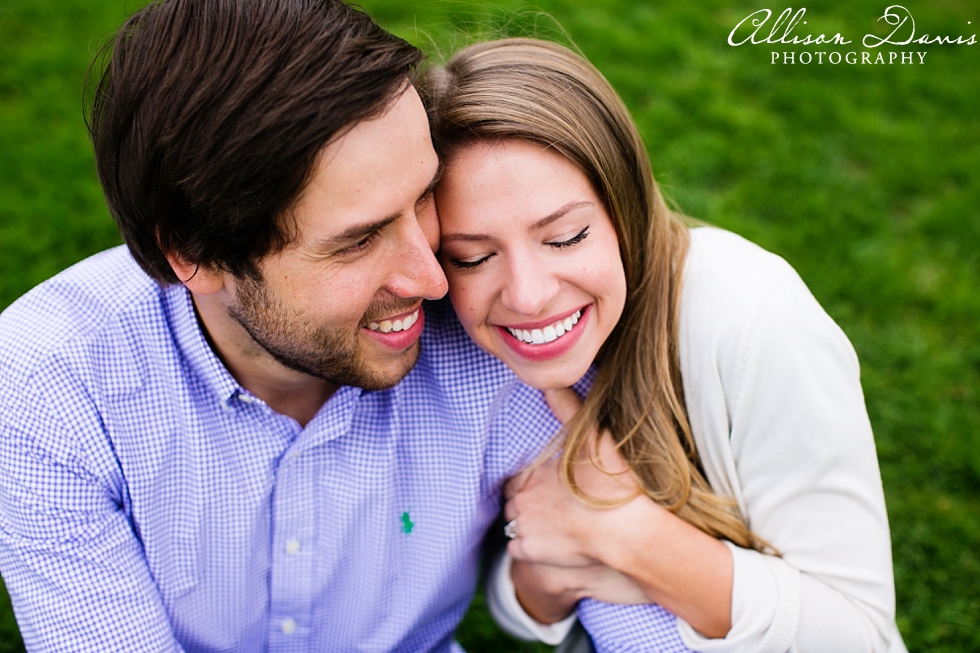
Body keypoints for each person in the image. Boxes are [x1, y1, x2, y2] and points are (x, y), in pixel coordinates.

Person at [425, 38, 908, 652]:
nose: (526, 296)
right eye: (474, 257)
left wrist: (628, 537)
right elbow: (521, 595)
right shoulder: (491, 359)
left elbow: (858, 635)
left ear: (626, 208)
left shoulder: (754, 322)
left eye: (566, 237)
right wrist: (544, 568)